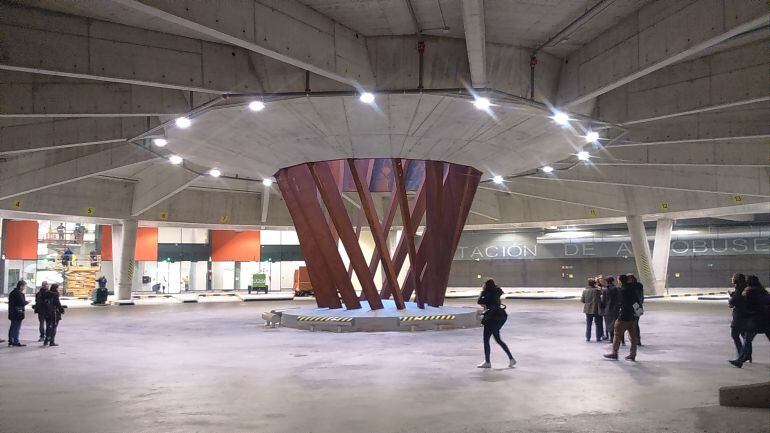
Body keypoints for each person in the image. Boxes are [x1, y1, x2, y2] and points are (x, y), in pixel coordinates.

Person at [729, 275, 770, 368]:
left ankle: (741, 359)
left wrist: (738, 297)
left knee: (747, 339)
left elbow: (747, 305)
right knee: (747, 338)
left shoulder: (750, 291)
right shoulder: (762, 290)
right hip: (766, 319)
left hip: (757, 320)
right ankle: (741, 359)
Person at [476, 279, 516, 368]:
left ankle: (487, 362)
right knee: (498, 339)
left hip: (491, 318)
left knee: (486, 340)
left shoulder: (487, 292)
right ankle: (511, 359)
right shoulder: (496, 292)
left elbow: (479, 301)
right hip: (501, 316)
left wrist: (482, 292)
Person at [604, 274, 642, 361]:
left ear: (620, 281)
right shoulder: (632, 289)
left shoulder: (621, 290)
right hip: (632, 316)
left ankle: (614, 353)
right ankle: (633, 354)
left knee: (617, 335)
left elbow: (619, 303)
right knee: (633, 337)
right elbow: (636, 301)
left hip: (623, 316)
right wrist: (638, 311)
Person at [728, 273, 749, 358]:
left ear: (737, 279)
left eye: (733, 277)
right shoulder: (744, 287)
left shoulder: (739, 288)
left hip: (739, 315)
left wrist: (731, 301)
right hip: (745, 315)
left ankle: (742, 354)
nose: (732, 279)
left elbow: (736, 300)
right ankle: (746, 354)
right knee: (744, 335)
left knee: (734, 334)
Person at [8, 280, 29, 347]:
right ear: (21, 286)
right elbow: (21, 302)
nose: (24, 288)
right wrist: (27, 302)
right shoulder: (19, 293)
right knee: (16, 327)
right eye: (24, 286)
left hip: (12, 312)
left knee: (12, 327)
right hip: (18, 313)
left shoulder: (12, 292)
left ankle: (11, 341)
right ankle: (15, 341)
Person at [602, 276, 620, 343]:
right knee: (616, 324)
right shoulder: (616, 289)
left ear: (606, 281)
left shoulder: (605, 290)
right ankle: (617, 338)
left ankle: (611, 338)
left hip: (607, 309)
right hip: (616, 309)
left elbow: (603, 301)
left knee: (608, 323)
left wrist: (602, 307)